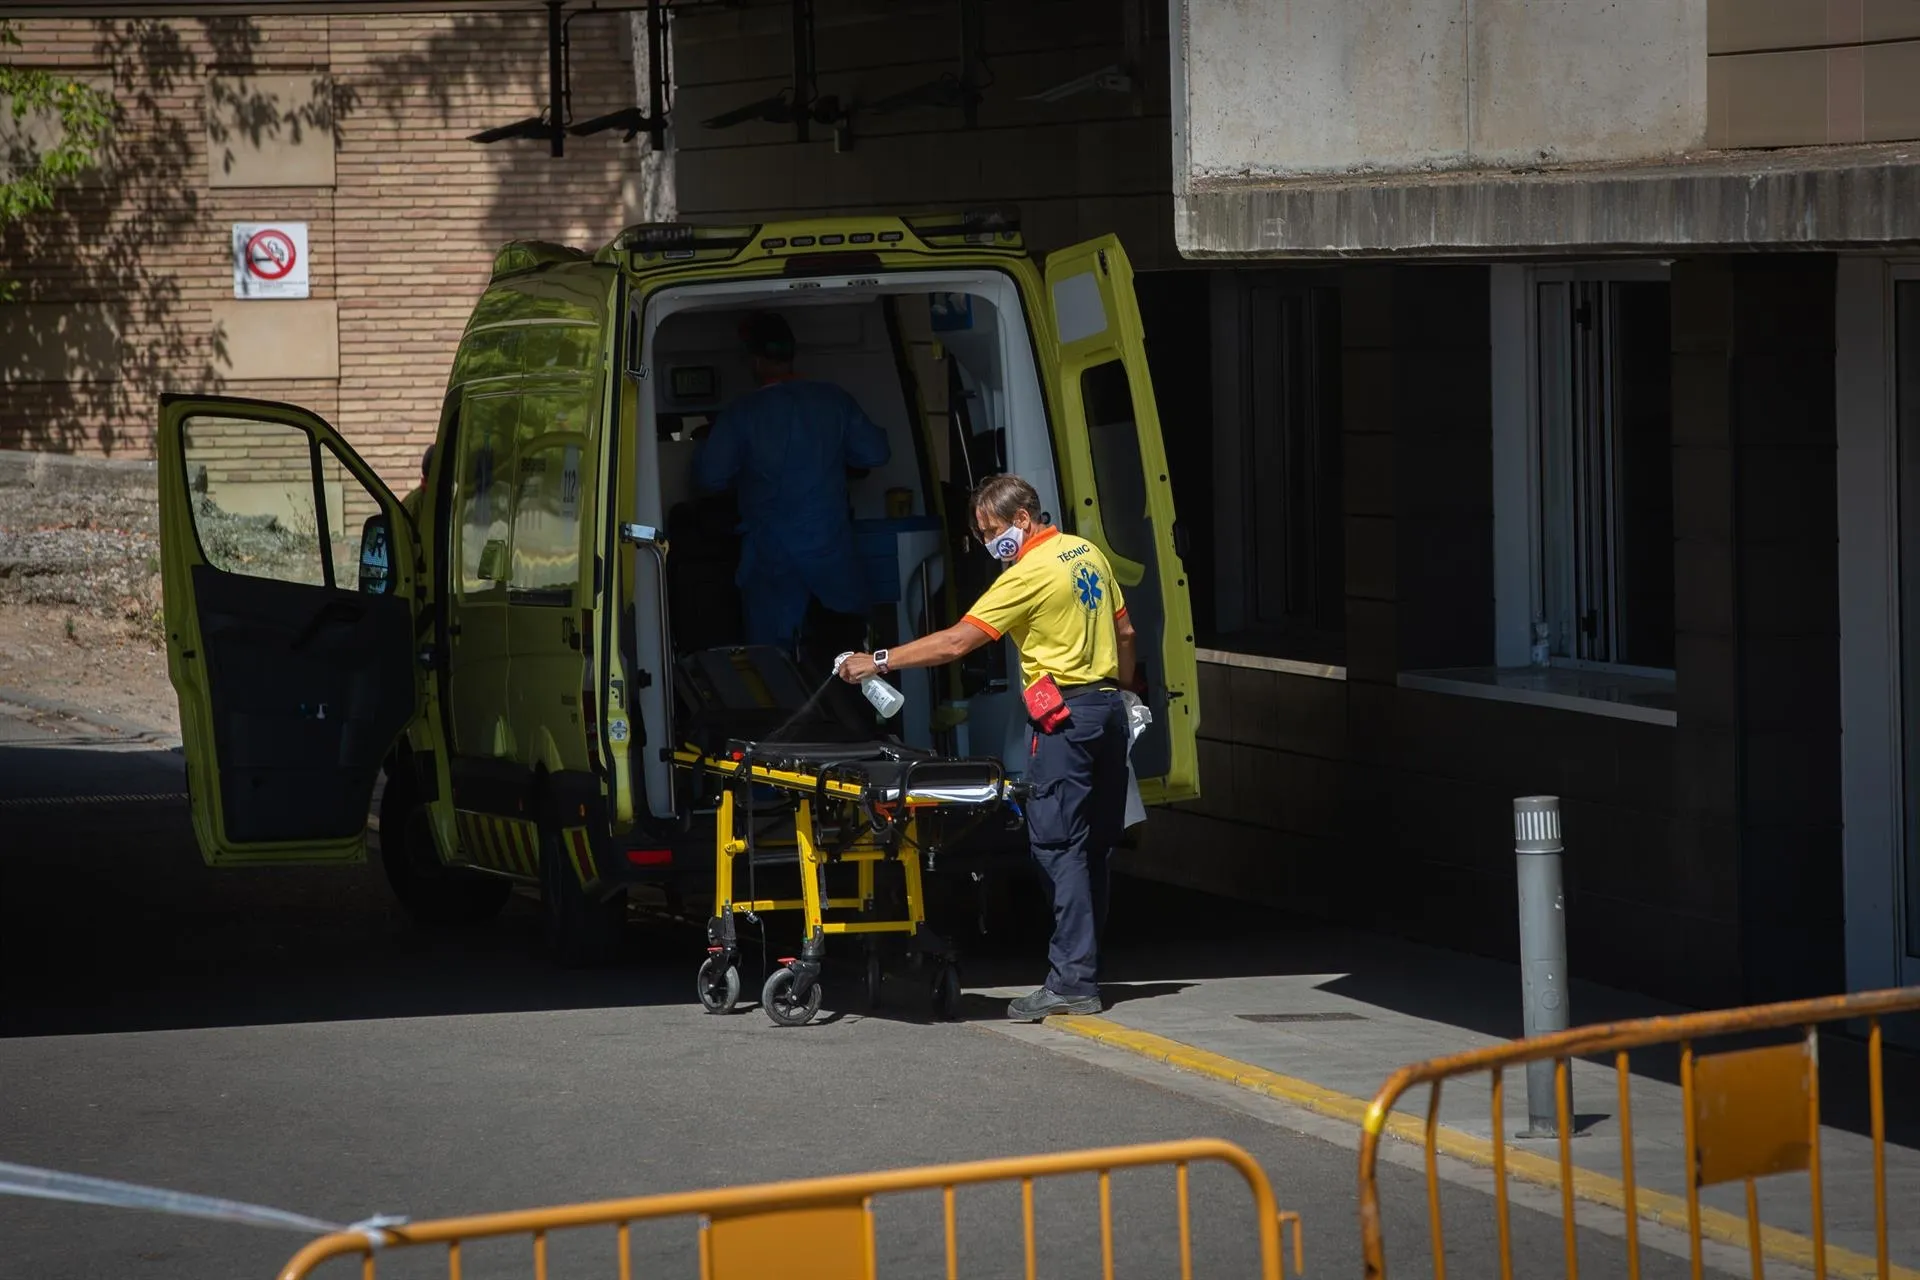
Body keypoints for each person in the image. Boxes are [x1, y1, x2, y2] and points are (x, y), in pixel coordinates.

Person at [836, 473, 1136, 1020]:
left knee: (1057, 846)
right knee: (1093, 847)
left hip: (1063, 720)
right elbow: (1127, 634)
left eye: (991, 530)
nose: (987, 542)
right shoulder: (1085, 552)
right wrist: (1126, 694)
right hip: (1108, 712)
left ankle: (1072, 981)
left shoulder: (1026, 575)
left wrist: (877, 661)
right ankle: (1084, 968)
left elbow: (956, 642)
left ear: (1022, 519)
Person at [694, 312, 891, 666]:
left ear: (754, 360)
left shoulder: (743, 413)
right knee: (846, 657)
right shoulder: (833, 400)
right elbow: (875, 453)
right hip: (832, 557)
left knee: (774, 666)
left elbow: (710, 477)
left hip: (773, 561)